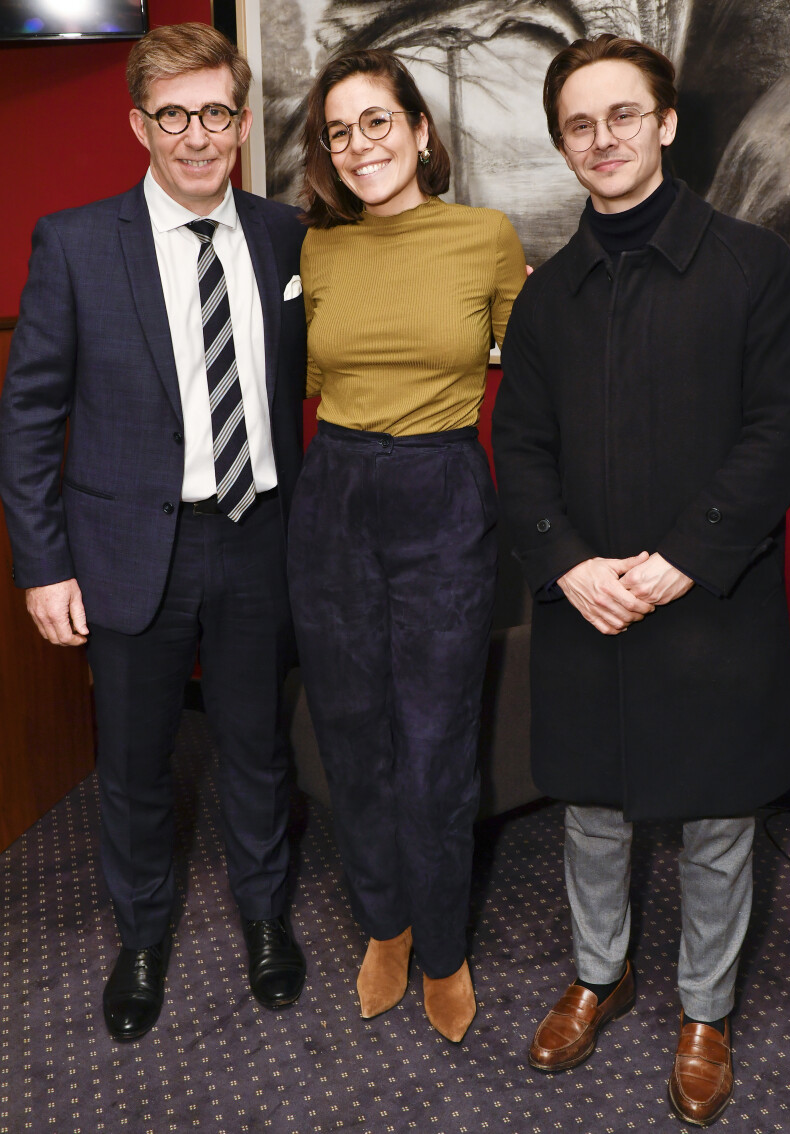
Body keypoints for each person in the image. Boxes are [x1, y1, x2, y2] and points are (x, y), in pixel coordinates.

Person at [492, 33, 790, 1127]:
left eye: (623, 115)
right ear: (564, 148)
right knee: (591, 808)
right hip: (586, 598)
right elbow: (519, 446)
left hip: (709, 595)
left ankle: (704, 1008)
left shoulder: (754, 266)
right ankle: (599, 973)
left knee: (721, 819)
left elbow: (781, 431)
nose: (603, 139)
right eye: (580, 125)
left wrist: (681, 560)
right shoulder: (548, 295)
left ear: (666, 124)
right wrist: (569, 562)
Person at [0, 22, 308, 1042]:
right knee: (134, 765)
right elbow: (30, 416)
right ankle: (142, 935)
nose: (196, 136)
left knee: (259, 748)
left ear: (240, 119)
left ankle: (266, 918)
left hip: (260, 535)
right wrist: (42, 567)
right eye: (172, 115)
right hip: (132, 548)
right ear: (139, 122)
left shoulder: (285, 236)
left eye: (215, 111)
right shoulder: (77, 243)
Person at [288, 49, 525, 1043]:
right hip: (333, 496)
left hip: (441, 492)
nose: (358, 147)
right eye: (340, 132)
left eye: (376, 122)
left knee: (434, 746)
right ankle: (384, 922)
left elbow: (531, 377)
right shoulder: (318, 250)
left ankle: (442, 948)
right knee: (350, 731)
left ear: (421, 132)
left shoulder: (486, 238)